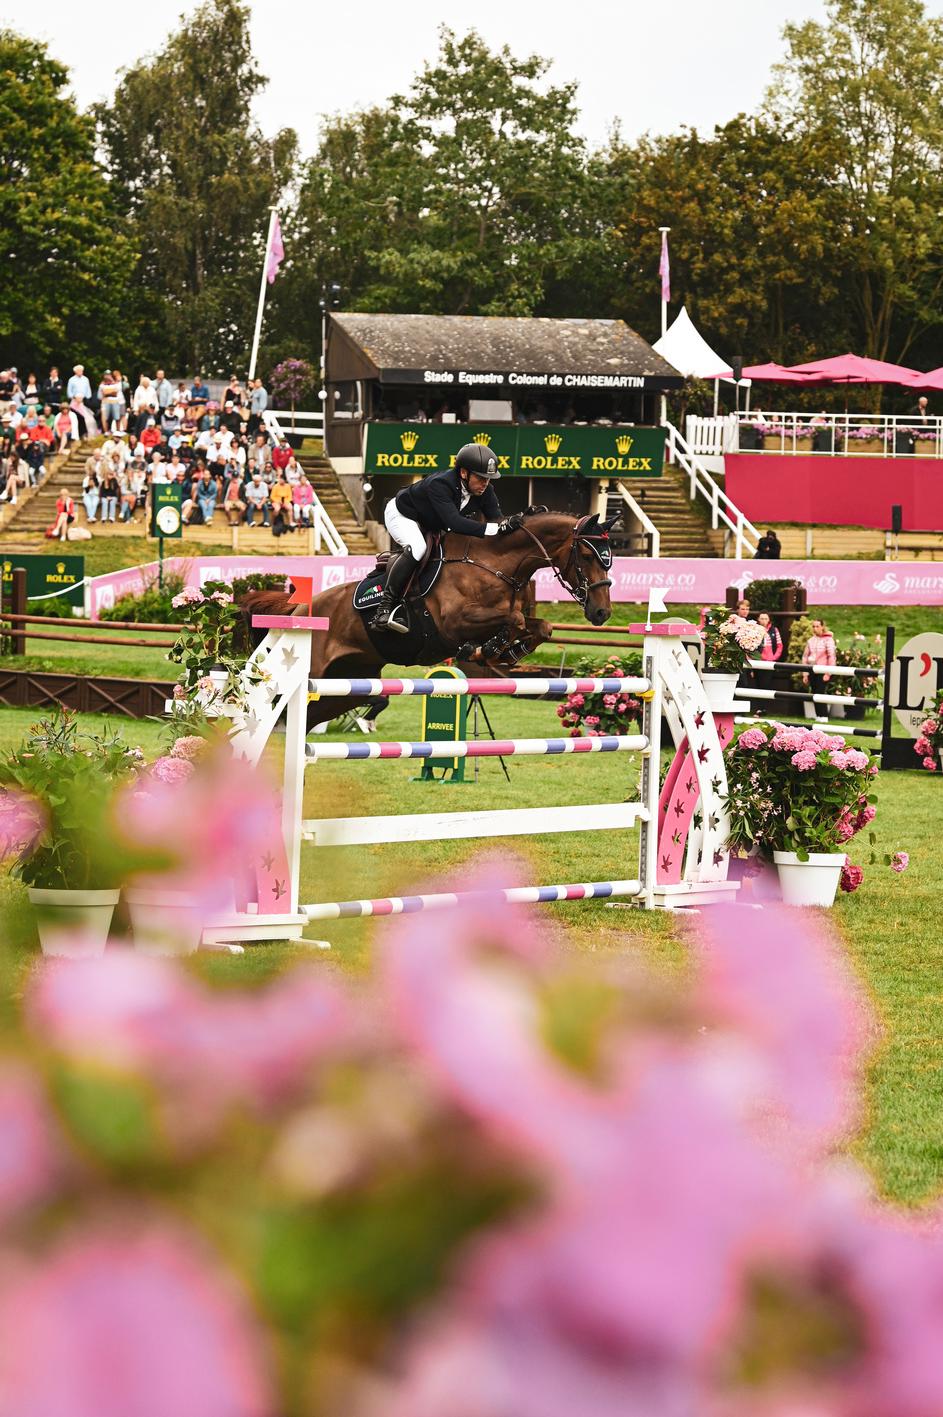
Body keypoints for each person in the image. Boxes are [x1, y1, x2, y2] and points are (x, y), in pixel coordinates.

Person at [371, 442, 520, 634]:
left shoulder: (485, 491)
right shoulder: (440, 484)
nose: (485, 483)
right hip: (403, 514)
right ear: (464, 473)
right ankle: (384, 608)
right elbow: (455, 523)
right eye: (481, 477)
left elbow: (497, 519)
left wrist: (517, 522)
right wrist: (495, 529)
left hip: (431, 521)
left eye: (489, 479)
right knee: (418, 547)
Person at [802, 618, 836, 685]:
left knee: (820, 692)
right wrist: (805, 674)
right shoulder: (811, 640)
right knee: (813, 693)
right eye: (813, 626)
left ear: (822, 627)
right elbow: (805, 657)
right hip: (811, 669)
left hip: (822, 670)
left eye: (817, 626)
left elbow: (831, 656)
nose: (815, 629)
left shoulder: (828, 640)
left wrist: (828, 673)